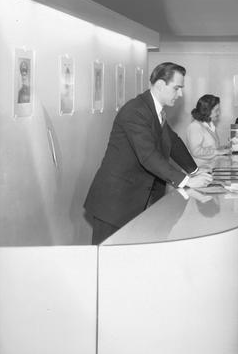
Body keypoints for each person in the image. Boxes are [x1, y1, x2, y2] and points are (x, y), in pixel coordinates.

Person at [84, 62, 212, 245]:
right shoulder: (135, 111)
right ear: (160, 85)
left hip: (135, 200)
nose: (181, 94)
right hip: (114, 203)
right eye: (177, 88)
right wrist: (186, 181)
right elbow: (148, 155)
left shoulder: (155, 110)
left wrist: (194, 171)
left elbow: (172, 142)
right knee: (106, 263)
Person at [185, 94, 229, 165]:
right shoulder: (195, 127)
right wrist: (217, 152)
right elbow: (196, 151)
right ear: (207, 111)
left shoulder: (210, 125)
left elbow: (210, 148)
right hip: (199, 171)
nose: (218, 113)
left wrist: (222, 148)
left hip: (210, 168)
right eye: (216, 110)